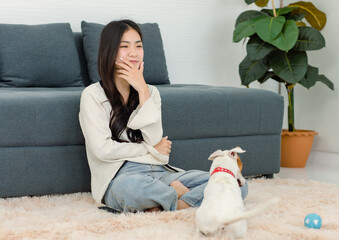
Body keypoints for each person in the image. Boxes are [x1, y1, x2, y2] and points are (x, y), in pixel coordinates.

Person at [79, 19, 248, 213]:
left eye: (138, 45)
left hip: (160, 172)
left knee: (237, 184)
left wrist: (142, 90)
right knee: (133, 192)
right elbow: (102, 150)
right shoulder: (92, 95)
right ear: (109, 52)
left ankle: (171, 201)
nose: (133, 53)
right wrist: (148, 149)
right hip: (120, 177)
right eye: (124, 46)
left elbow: (154, 139)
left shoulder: (151, 92)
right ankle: (174, 196)